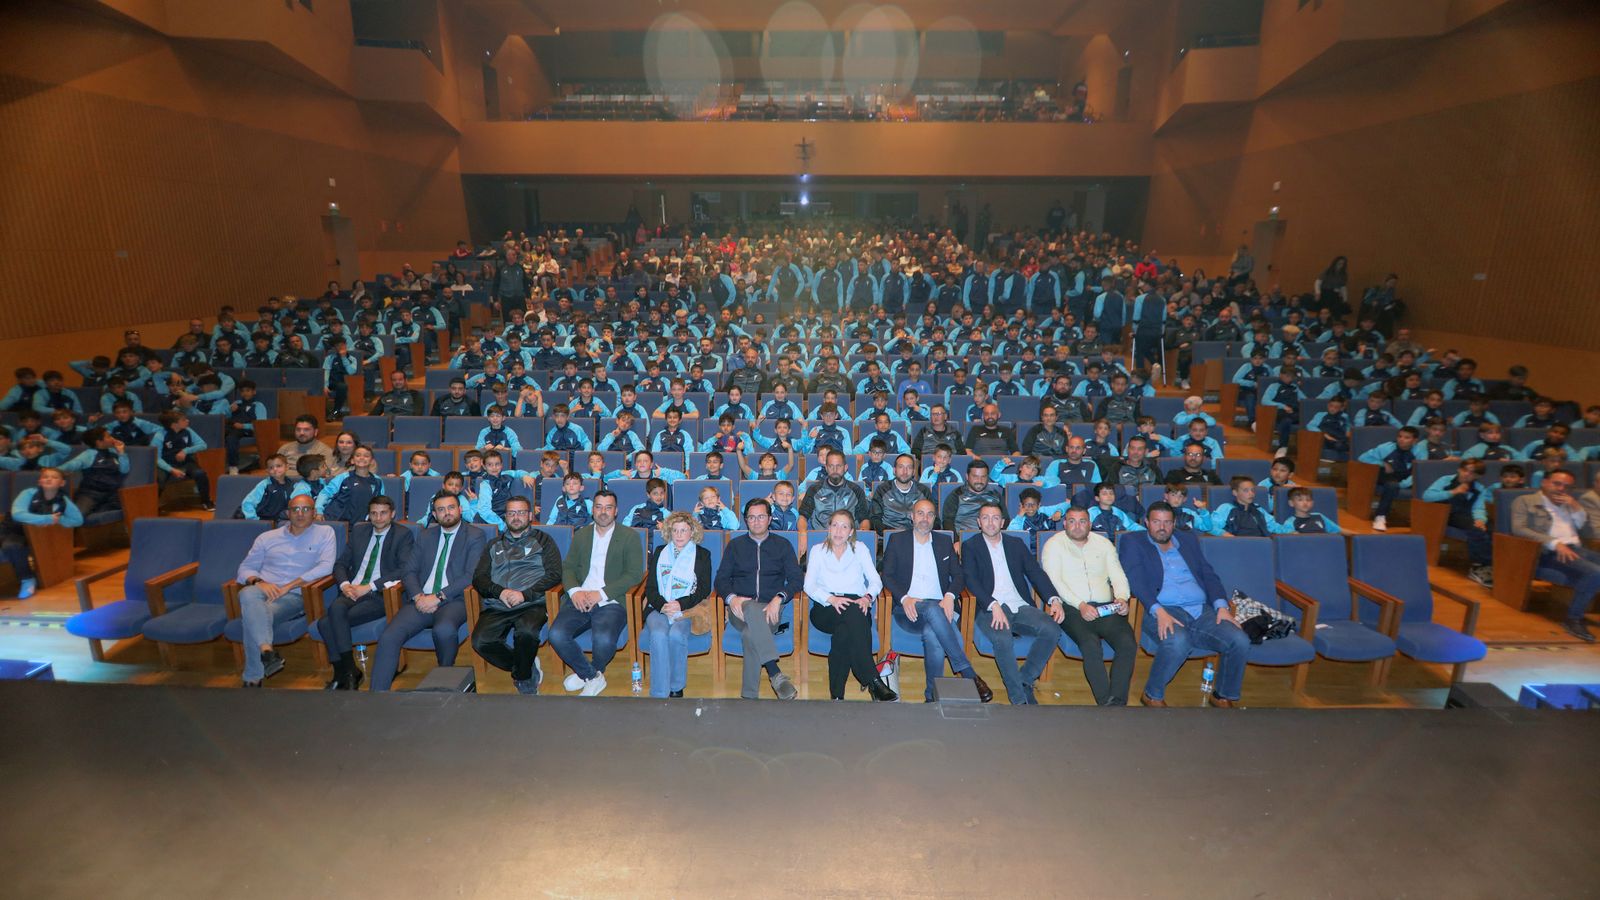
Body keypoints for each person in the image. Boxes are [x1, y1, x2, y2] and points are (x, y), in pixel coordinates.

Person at [1119, 502, 1250, 707]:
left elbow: (1208, 574)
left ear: (1173, 524)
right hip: (1161, 609)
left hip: (1201, 610)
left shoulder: (1188, 540)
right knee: (1179, 640)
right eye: (1156, 522)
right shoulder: (1133, 541)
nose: (1162, 527)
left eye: (1167, 522)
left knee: (1239, 639)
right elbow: (1135, 580)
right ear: (1146, 522)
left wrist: (1222, 606)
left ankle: (1223, 695)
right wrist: (1158, 611)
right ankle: (1152, 695)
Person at [370, 491, 489, 691]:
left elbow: (471, 575)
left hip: (455, 599)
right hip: (421, 599)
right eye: (441, 509)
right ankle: (377, 694)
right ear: (434, 514)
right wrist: (418, 596)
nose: (447, 513)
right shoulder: (426, 536)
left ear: (460, 509)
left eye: (451, 508)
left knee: (444, 630)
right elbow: (409, 571)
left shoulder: (475, 535)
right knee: (389, 636)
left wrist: (439, 597)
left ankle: (444, 681)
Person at [883, 499, 993, 703]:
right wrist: (905, 598)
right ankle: (968, 673)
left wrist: (950, 596)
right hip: (909, 611)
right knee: (933, 609)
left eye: (930, 514)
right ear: (912, 516)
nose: (924, 518)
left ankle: (931, 696)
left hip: (942, 608)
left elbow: (958, 575)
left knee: (932, 633)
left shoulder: (943, 542)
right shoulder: (898, 541)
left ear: (935, 518)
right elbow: (887, 575)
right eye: (920, 513)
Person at [963, 502, 1064, 705]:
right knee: (1003, 639)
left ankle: (1026, 679)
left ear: (1002, 522)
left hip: (1019, 604)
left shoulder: (1015, 544)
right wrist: (992, 604)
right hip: (989, 608)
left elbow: (1035, 573)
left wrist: (1054, 599)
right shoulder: (970, 546)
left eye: (995, 518)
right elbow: (970, 580)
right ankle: (1019, 700)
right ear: (978, 522)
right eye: (985, 518)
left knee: (1052, 629)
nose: (990, 522)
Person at [233, 494, 336, 686]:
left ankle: (253, 676)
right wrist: (259, 582)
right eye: (295, 509)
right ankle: (266, 650)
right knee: (247, 592)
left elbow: (326, 567)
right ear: (288, 513)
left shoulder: (325, 533)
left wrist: (289, 586)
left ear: (314, 513)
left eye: (306, 509)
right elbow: (245, 569)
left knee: (252, 616)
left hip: (294, 595)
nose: (300, 514)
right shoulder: (267, 538)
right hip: (262, 590)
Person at [548, 490, 644, 696]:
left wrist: (601, 593)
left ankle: (589, 672)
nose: (603, 512)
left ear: (616, 511)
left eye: (608, 507)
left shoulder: (629, 536)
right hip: (580, 597)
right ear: (593, 510)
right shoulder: (582, 535)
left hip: (611, 600)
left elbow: (634, 574)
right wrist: (575, 591)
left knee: (603, 640)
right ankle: (591, 676)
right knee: (556, 634)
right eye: (599, 507)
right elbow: (569, 567)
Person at [1041, 507, 1137, 706]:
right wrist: (1080, 604)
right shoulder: (1054, 545)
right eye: (1072, 521)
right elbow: (1054, 581)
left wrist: (1122, 598)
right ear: (1064, 523)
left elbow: (1118, 575)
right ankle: (1104, 702)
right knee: (1090, 644)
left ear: (1090, 524)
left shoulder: (1104, 544)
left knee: (1127, 643)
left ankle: (1117, 701)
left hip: (1106, 607)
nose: (1077, 526)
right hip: (1071, 607)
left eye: (1082, 521)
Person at [470, 496, 563, 694]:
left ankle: (523, 679)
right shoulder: (494, 544)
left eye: (521, 512)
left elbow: (555, 574)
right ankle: (526, 666)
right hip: (499, 604)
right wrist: (500, 592)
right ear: (505, 516)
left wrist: (525, 595)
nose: (516, 517)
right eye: (511, 513)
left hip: (532, 603)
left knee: (527, 632)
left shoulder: (544, 540)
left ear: (530, 515)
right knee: (480, 641)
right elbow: (479, 578)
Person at [323, 495, 414, 690]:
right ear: (369, 515)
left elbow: (403, 569)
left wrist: (369, 586)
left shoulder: (402, 534)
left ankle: (344, 673)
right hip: (351, 591)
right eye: (374, 513)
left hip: (379, 595)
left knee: (326, 622)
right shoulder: (359, 532)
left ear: (392, 514)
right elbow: (340, 564)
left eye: (383, 513)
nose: (378, 518)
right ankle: (348, 670)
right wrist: (345, 585)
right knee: (335, 612)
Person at [715, 498, 803, 700]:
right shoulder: (735, 546)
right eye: (751, 517)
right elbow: (720, 579)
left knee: (749, 634)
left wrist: (779, 598)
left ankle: (749, 697)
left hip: (771, 611)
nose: (756, 521)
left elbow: (797, 579)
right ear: (746, 520)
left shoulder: (783, 545)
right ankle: (775, 673)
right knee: (749, 607)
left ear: (770, 519)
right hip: (739, 610)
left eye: (761, 516)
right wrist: (732, 598)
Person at [803, 509, 896, 701]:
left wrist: (867, 597)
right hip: (825, 608)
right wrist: (831, 599)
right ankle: (873, 680)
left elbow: (875, 581)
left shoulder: (860, 549)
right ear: (828, 528)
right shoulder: (818, 550)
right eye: (835, 525)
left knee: (844, 634)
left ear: (851, 531)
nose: (839, 531)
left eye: (844, 526)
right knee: (853, 616)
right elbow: (809, 586)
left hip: (858, 605)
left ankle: (837, 696)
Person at [1509, 470, 1600, 642]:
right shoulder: (1525, 501)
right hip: (1548, 552)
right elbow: (1519, 529)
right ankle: (1573, 619)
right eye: (1557, 483)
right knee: (1596, 573)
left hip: (1578, 549)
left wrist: (1576, 507)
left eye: (1567, 486)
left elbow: (1588, 531)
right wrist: (1554, 543)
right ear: (1544, 482)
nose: (1561, 489)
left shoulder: (1569, 504)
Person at [642, 512, 714, 698]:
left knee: (676, 634)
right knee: (658, 634)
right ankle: (659, 692)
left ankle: (676, 686)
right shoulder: (660, 552)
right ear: (669, 532)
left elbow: (704, 589)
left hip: (688, 609)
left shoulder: (702, 555)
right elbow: (650, 587)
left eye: (684, 530)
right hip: (659, 607)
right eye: (675, 530)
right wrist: (663, 605)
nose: (679, 535)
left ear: (692, 532)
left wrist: (680, 604)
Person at [3, 467, 84, 599]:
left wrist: (59, 520)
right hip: (15, 530)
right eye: (45, 477)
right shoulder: (28, 493)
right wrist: (47, 518)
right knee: (11, 545)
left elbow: (78, 520)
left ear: (62, 483)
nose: (49, 479)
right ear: (39, 481)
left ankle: (27, 579)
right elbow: (17, 514)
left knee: (12, 547)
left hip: (40, 536)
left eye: (54, 477)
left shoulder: (63, 500)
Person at [1420, 459, 1494, 587]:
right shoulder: (1445, 480)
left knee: (1490, 527)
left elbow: (1479, 508)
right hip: (1446, 514)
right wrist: (1453, 492)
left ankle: (1491, 564)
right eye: (1465, 470)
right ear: (1459, 469)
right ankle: (1479, 565)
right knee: (1475, 529)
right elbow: (1427, 496)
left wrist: (1480, 520)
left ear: (1477, 476)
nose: (1467, 474)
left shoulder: (1479, 488)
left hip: (1466, 515)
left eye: (1472, 473)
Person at [798, 449, 869, 529]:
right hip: (821, 534)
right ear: (826, 468)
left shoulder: (857, 491)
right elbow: (802, 517)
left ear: (845, 468)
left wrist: (863, 533)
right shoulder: (814, 489)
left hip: (848, 535)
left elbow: (864, 519)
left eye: (839, 466)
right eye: (831, 466)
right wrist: (802, 533)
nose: (835, 470)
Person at [867, 453, 934, 533]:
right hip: (889, 535)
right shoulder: (882, 490)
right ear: (894, 470)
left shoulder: (924, 491)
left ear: (913, 472)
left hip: (916, 535)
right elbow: (874, 519)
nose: (905, 472)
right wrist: (892, 533)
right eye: (901, 467)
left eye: (909, 467)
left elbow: (934, 519)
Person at [942, 458, 1004, 531]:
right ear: (967, 477)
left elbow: (1005, 519)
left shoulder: (995, 495)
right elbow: (947, 522)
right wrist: (957, 538)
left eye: (983, 476)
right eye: (975, 476)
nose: (979, 481)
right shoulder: (956, 495)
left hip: (990, 535)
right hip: (963, 536)